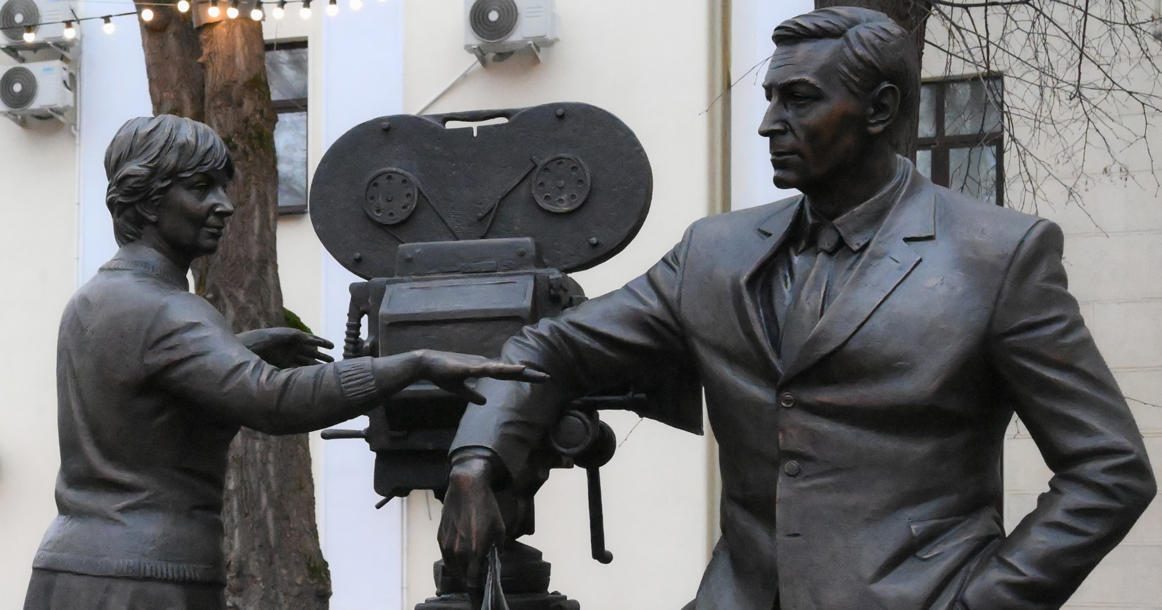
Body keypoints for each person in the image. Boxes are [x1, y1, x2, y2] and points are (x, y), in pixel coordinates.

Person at [437, 8, 1156, 610]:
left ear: (879, 110)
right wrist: (475, 460)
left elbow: (1109, 470)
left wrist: (983, 602)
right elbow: (551, 348)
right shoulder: (715, 254)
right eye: (770, 98)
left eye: (800, 100)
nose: (769, 124)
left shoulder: (995, 257)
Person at [23, 115, 545, 610]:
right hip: (148, 578)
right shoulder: (168, 310)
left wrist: (240, 346)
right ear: (147, 199)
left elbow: (142, 385)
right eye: (200, 188)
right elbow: (273, 400)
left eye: (222, 187)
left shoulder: (95, 299)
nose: (224, 205)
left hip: (70, 566)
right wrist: (414, 364)